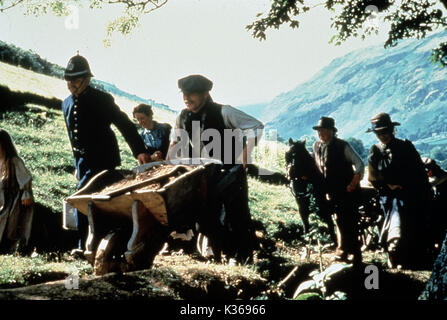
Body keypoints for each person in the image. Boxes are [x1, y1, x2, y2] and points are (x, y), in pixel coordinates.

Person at [167, 74, 264, 263]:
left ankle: (241, 258)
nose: (187, 98)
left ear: (205, 93)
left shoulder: (224, 112)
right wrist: (169, 165)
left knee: (235, 217)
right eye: (184, 94)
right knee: (203, 216)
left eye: (191, 94)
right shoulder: (182, 116)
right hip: (199, 176)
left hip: (228, 174)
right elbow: (174, 143)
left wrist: (245, 154)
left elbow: (256, 126)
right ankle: (209, 254)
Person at [62, 54, 151, 254]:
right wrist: (77, 166)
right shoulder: (65, 103)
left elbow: (125, 125)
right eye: (68, 80)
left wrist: (140, 151)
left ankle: (88, 247)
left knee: (85, 196)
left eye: (75, 80)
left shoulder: (102, 100)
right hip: (84, 162)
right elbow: (73, 139)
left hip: (103, 159)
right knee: (86, 197)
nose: (71, 85)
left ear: (86, 79)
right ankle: (88, 246)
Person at [367, 112, 432, 268]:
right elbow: (373, 176)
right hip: (388, 193)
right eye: (379, 133)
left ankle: (412, 255)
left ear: (392, 131)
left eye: (385, 132)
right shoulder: (375, 151)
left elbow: (418, 170)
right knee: (397, 206)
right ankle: (394, 249)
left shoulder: (405, 146)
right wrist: (388, 185)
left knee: (412, 213)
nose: (383, 136)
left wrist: (414, 185)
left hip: (412, 190)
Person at [312, 116, 364, 265]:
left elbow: (359, 164)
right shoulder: (316, 146)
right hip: (330, 191)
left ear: (332, 132)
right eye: (319, 130)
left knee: (349, 220)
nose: (321, 133)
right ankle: (343, 250)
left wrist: (353, 183)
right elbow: (316, 167)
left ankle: (354, 253)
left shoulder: (343, 146)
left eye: (324, 130)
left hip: (347, 190)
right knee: (338, 221)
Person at [0, 128, 34, 254]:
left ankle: (8, 246)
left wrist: (26, 193)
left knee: (6, 219)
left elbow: (25, 179)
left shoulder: (14, 161)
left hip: (11, 200)